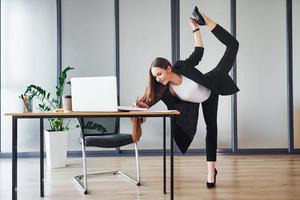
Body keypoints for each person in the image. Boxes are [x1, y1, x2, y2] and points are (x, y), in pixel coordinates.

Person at [135, 11, 239, 188]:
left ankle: (206, 19)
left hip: (212, 84)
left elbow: (198, 52)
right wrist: (141, 106)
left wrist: (196, 28)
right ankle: (211, 171)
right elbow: (149, 103)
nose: (158, 78)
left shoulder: (181, 66)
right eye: (155, 77)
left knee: (233, 45)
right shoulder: (163, 90)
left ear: (168, 68)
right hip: (203, 101)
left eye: (159, 74)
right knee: (210, 129)